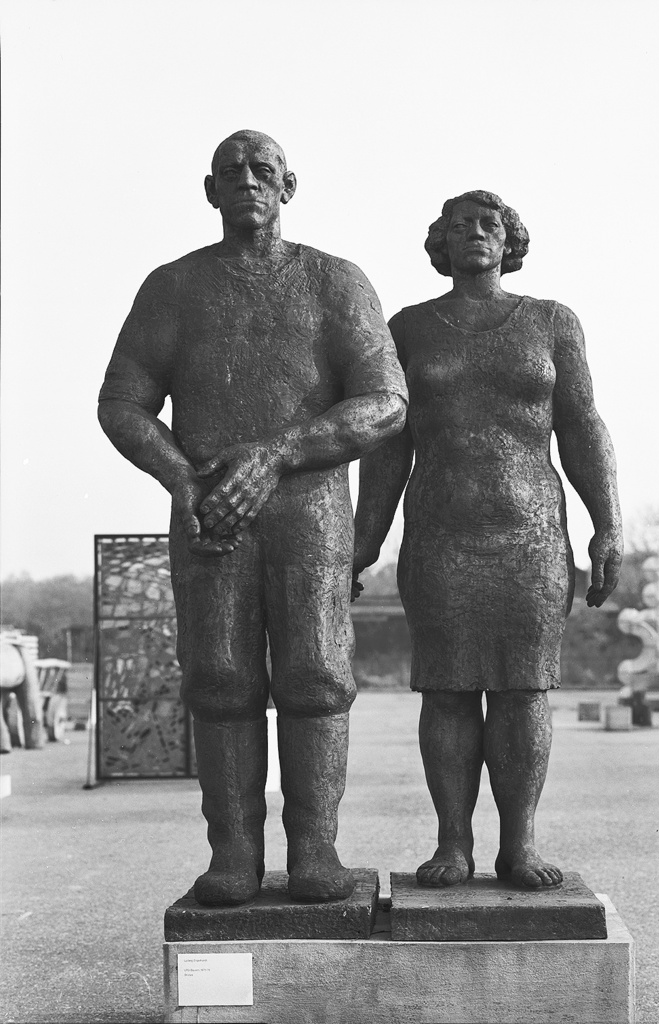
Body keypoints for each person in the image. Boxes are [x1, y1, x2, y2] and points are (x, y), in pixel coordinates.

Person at [98, 130, 408, 906]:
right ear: (209, 190)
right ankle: (233, 852)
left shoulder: (334, 282)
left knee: (316, 677)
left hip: (309, 510)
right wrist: (180, 476)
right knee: (219, 680)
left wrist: (277, 454)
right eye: (230, 171)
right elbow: (122, 401)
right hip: (211, 512)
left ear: (288, 185)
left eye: (262, 169)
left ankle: (314, 850)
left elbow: (385, 401)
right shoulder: (174, 288)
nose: (247, 180)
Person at [353, 190, 622, 889]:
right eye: (458, 226)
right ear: (439, 243)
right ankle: (453, 843)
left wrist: (608, 523)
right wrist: (363, 541)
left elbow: (582, 426)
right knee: (445, 689)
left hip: (530, 539)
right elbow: (387, 447)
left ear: (510, 240)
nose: (473, 233)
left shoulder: (551, 322)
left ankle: (519, 845)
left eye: (488, 223)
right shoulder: (408, 329)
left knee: (523, 690)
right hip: (442, 537)